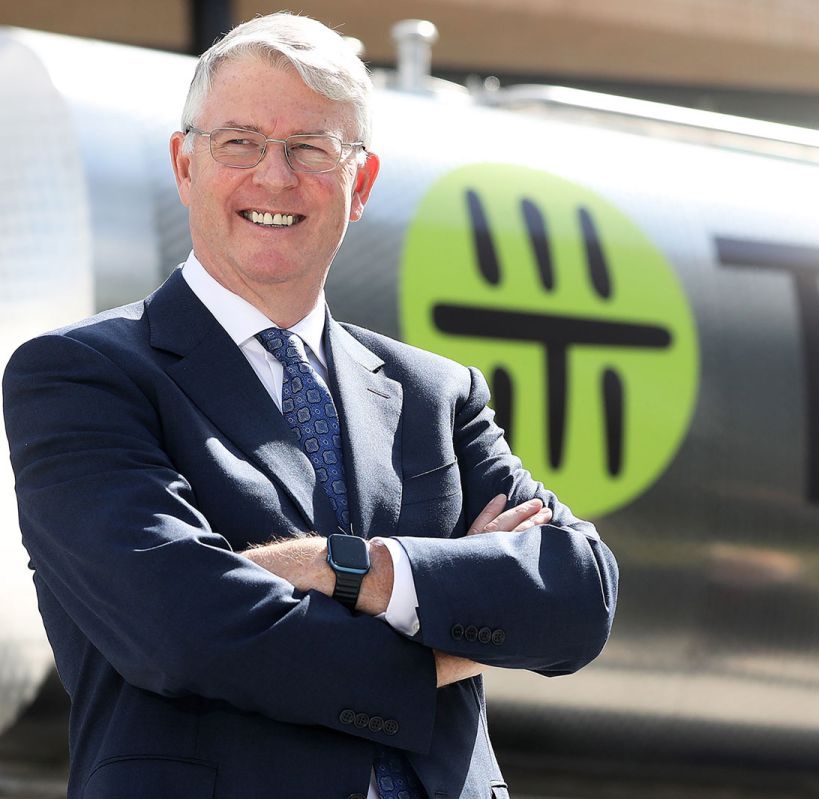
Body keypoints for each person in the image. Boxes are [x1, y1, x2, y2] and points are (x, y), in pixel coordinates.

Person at [2, 12, 617, 799]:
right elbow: (183, 630)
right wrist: (448, 631)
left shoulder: (437, 394)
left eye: (311, 148)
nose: (274, 177)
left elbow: (578, 591)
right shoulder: (82, 375)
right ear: (185, 165)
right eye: (239, 142)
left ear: (361, 184)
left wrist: (345, 566)